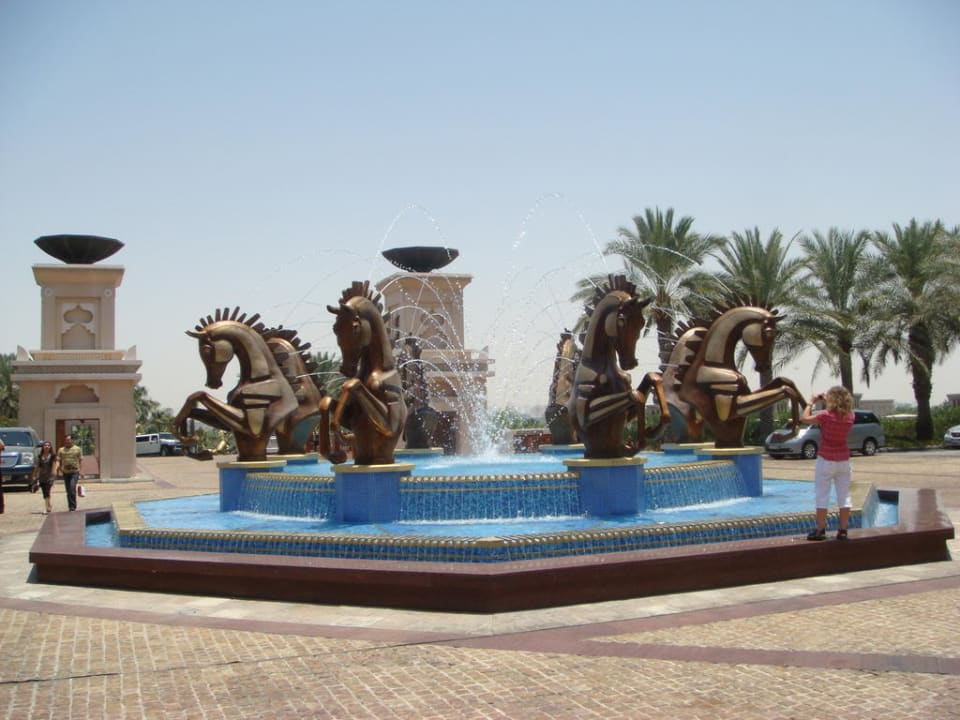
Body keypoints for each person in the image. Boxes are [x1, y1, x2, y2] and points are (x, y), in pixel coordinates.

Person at [800, 386, 855, 541]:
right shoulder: (851, 416)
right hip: (843, 460)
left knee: (822, 495)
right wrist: (827, 400)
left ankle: (820, 530)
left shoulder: (825, 415)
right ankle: (843, 530)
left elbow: (804, 418)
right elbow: (838, 412)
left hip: (826, 459)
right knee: (844, 496)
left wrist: (811, 403)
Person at [55, 434, 83, 512]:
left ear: (72, 440)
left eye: (69, 440)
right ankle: (70, 506)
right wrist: (57, 469)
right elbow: (58, 460)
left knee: (72, 487)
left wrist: (81, 470)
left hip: (75, 472)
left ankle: (73, 506)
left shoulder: (77, 449)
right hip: (65, 472)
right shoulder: (61, 450)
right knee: (68, 490)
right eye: (66, 440)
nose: (67, 441)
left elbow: (80, 460)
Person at [32, 441, 56, 514]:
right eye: (45, 445)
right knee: (44, 492)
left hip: (49, 477)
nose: (47, 447)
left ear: (50, 447)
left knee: (47, 491)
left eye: (48, 445)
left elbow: (54, 466)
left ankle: (47, 507)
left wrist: (53, 475)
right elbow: (37, 466)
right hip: (42, 477)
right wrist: (34, 475)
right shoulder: (40, 456)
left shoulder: (52, 456)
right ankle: (49, 504)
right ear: (43, 447)